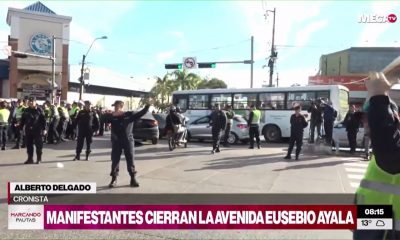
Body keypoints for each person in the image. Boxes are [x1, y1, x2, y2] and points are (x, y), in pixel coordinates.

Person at [353, 72, 400, 240]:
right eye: (364, 119)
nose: (365, 123)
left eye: (369, 118)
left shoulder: (389, 147)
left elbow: (389, 148)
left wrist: (379, 97)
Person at [103, 100, 150, 188]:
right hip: (116, 141)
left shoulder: (129, 115)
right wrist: (112, 115)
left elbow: (141, 113)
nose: (115, 108)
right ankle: (114, 179)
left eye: (117, 106)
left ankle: (133, 178)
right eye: (114, 106)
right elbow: (102, 119)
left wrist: (148, 105)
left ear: (121, 106)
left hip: (128, 141)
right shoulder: (112, 116)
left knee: (130, 159)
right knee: (115, 160)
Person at [20, 96, 46, 164]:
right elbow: (22, 120)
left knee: (39, 145)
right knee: (29, 145)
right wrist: (21, 128)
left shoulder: (39, 110)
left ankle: (39, 159)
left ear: (35, 102)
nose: (30, 103)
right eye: (29, 101)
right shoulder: (26, 110)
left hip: (37, 130)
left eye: (32, 101)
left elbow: (43, 120)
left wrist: (44, 129)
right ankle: (30, 159)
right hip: (28, 130)